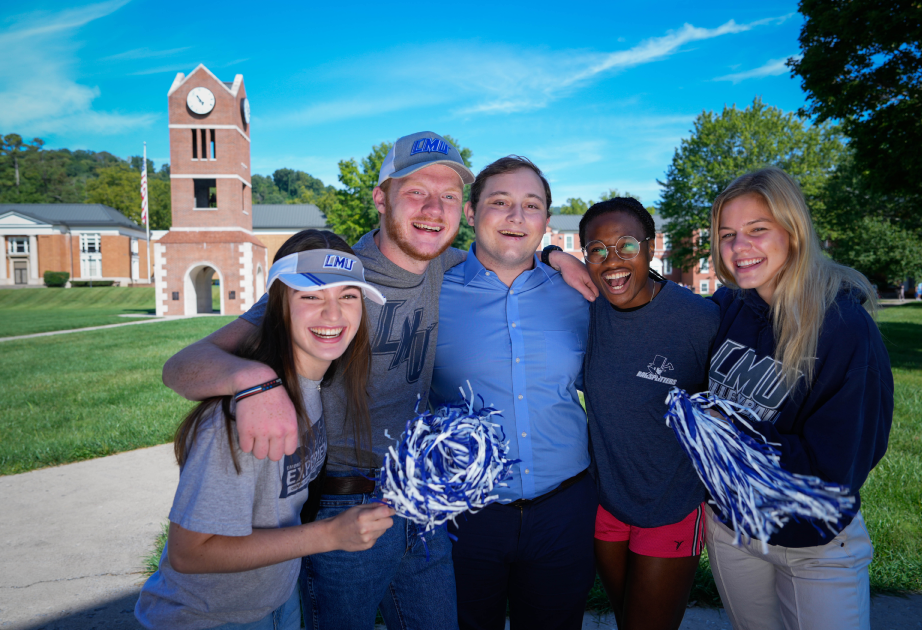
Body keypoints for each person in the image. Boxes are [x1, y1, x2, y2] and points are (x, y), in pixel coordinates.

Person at [160, 131, 598, 630]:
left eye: (449, 196)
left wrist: (554, 257)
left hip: (426, 498)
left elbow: (507, 252)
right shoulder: (335, 278)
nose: (433, 209)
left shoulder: (447, 265)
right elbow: (184, 365)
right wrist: (254, 382)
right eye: (415, 192)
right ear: (381, 197)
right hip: (346, 501)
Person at [136, 231, 395, 629]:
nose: (333, 313)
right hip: (207, 618)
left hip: (276, 602)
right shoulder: (245, 416)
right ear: (278, 307)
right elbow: (190, 553)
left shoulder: (312, 389)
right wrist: (329, 535)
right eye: (311, 296)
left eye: (348, 296)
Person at [705, 167, 893, 630]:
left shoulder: (843, 327)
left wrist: (723, 430)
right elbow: (653, 303)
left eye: (757, 230)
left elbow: (837, 468)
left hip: (814, 543)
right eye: (727, 234)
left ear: (793, 232)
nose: (739, 248)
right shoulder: (730, 307)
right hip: (732, 530)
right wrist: (553, 255)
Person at [431, 156, 597, 630]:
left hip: (563, 510)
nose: (516, 217)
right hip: (464, 517)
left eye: (531, 205)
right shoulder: (432, 292)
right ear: (469, 212)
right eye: (500, 202)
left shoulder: (580, 295)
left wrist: (558, 258)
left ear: (547, 220)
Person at [579, 198, 720, 630]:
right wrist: (550, 254)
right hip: (606, 503)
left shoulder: (698, 319)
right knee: (628, 620)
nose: (611, 261)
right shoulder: (585, 313)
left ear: (652, 246)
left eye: (625, 245)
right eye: (597, 250)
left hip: (671, 503)